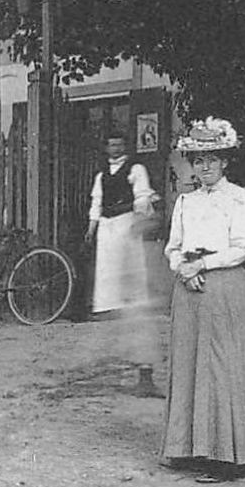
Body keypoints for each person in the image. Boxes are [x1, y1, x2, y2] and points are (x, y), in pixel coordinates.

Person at [161, 118, 245, 483]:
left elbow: (240, 247)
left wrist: (203, 263)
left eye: (213, 159)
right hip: (189, 290)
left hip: (224, 287)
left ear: (225, 161)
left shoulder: (240, 198)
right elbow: (173, 246)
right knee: (189, 363)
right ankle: (187, 446)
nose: (205, 167)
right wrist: (183, 267)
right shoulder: (186, 201)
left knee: (223, 365)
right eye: (198, 161)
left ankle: (227, 457)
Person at [85, 132, 165, 396]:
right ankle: (112, 306)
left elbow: (142, 197)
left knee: (133, 277)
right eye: (112, 143)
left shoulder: (135, 169)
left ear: (125, 147)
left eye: (120, 143)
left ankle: (144, 368)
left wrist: (141, 220)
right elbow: (96, 203)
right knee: (109, 275)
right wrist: (92, 227)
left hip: (127, 222)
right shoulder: (101, 174)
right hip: (108, 228)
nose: (116, 147)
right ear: (106, 147)